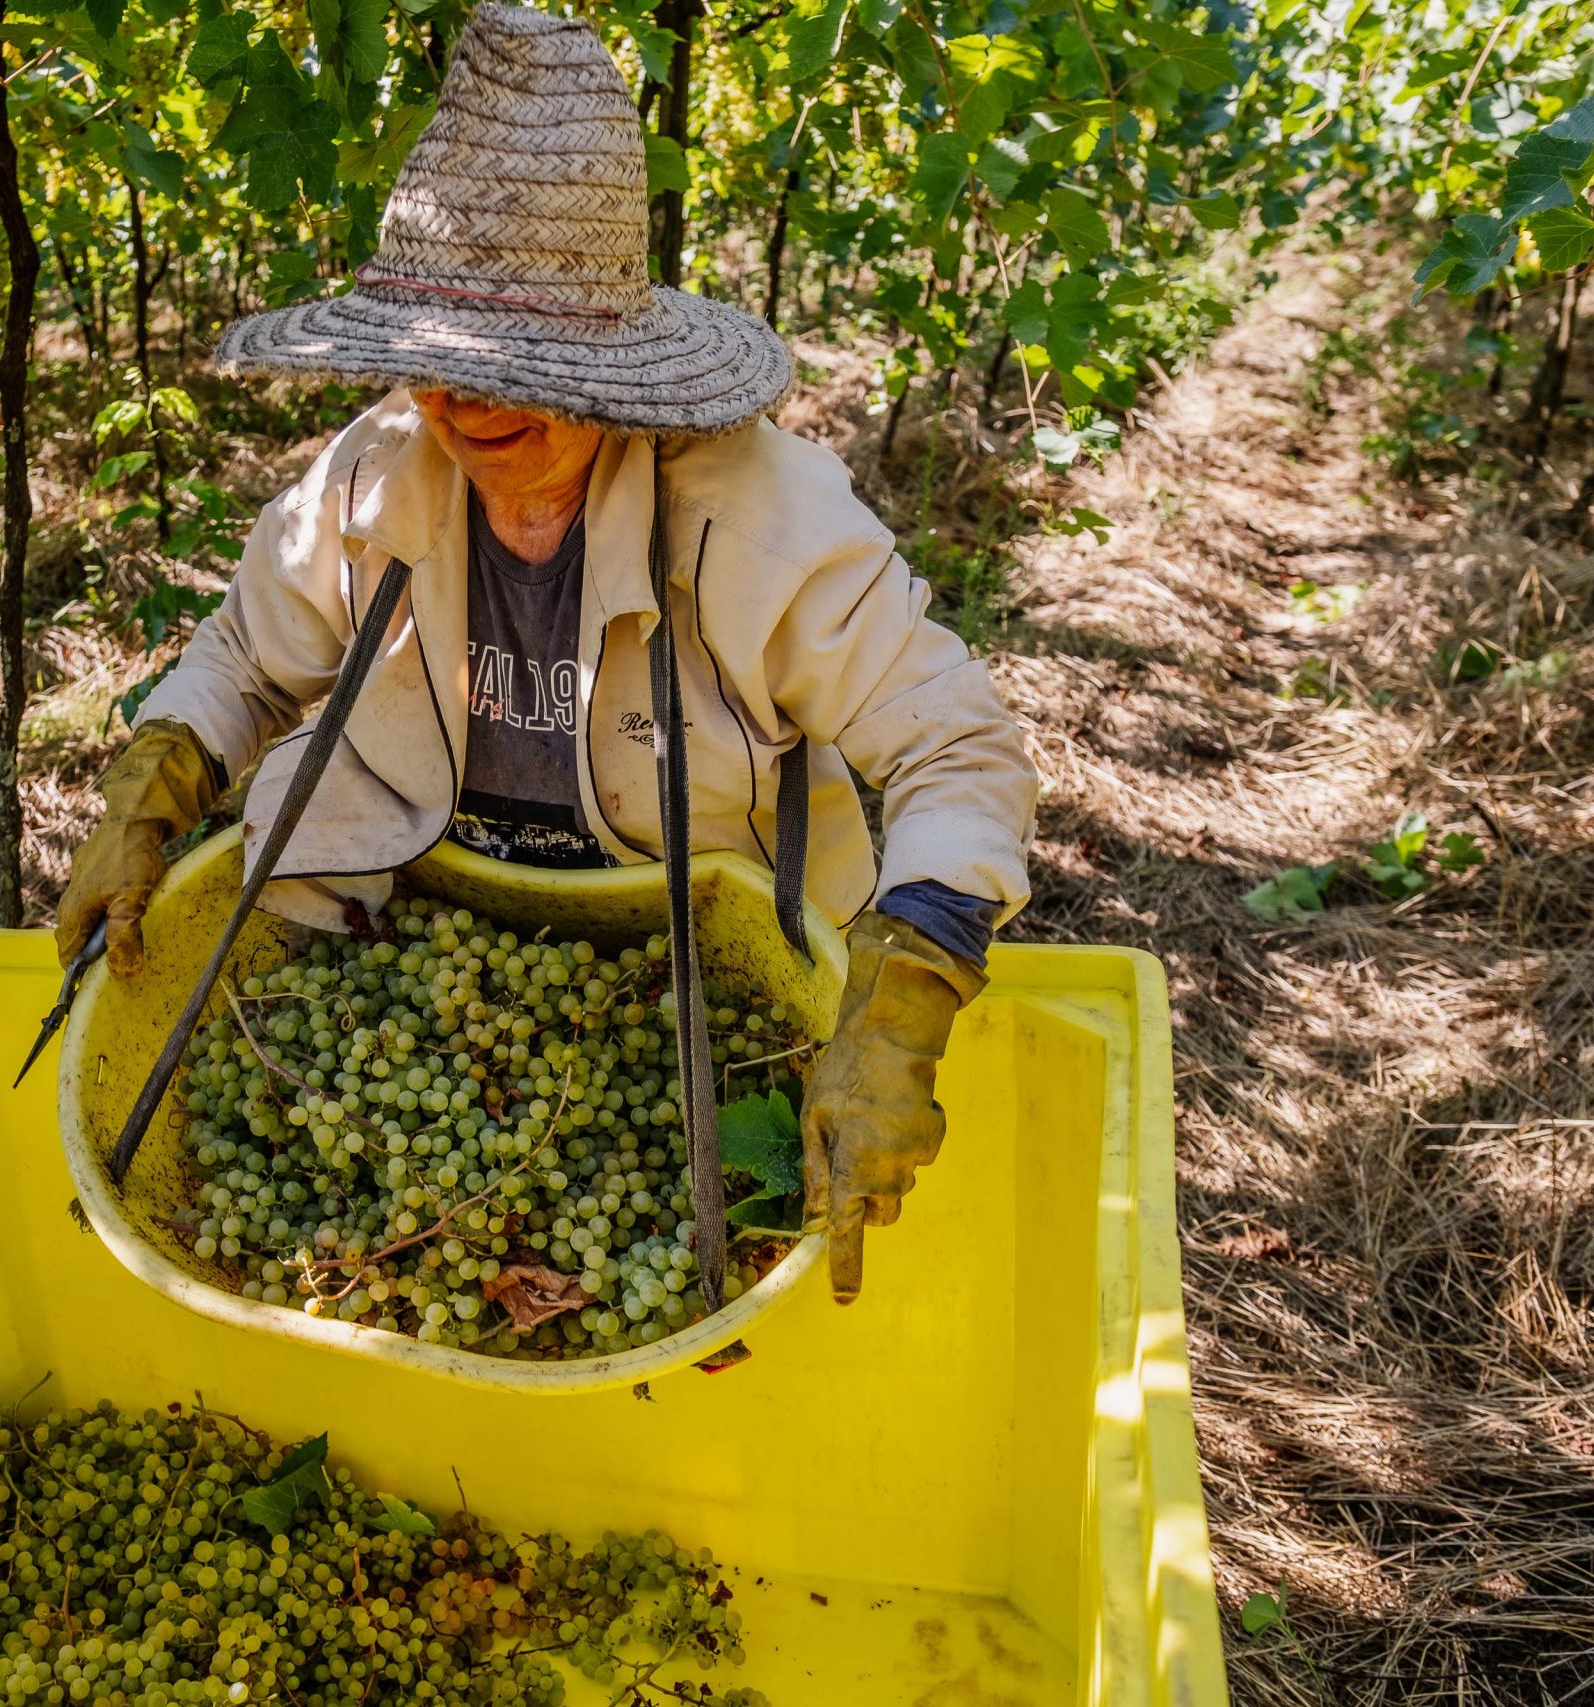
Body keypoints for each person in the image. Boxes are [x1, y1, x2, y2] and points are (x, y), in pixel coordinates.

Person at [58, 2, 1037, 1303]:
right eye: (434, 364)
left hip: (693, 993)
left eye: (520, 366)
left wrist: (904, 1004)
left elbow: (956, 746)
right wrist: (154, 786)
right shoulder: (373, 483)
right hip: (439, 973)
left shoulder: (756, 521)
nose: (466, 405)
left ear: (613, 365)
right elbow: (246, 655)